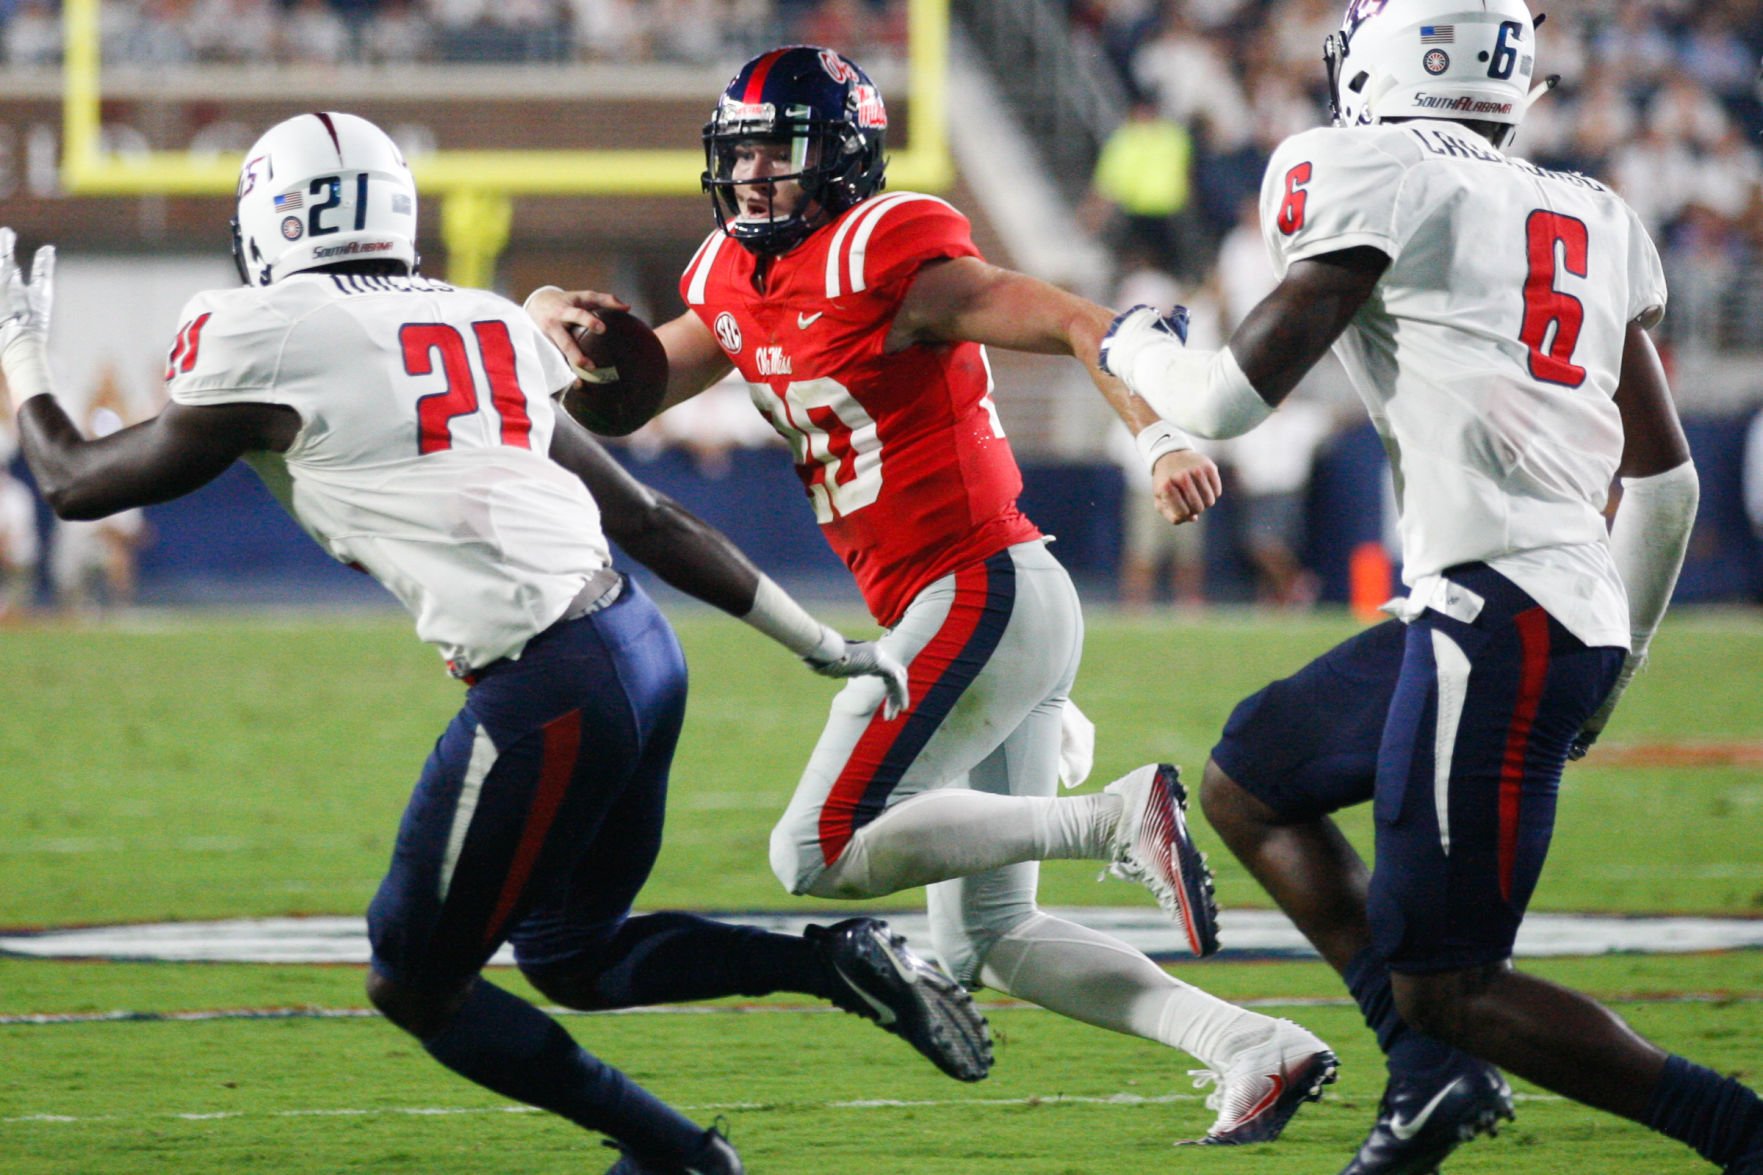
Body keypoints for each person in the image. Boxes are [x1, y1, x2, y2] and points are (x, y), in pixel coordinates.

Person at [0, 112, 1006, 1175]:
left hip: (546, 685)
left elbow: (73, 480)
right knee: (569, 953)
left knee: (411, 977)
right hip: (640, 646)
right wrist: (817, 639)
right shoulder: (485, 321)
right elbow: (649, 517)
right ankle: (832, 965)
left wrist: (22, 352)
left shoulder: (265, 329)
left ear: (270, 219)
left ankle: (680, 1158)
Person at [528, 45, 1339, 1147]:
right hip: (977, 604)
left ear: (842, 159)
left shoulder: (884, 250)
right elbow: (635, 396)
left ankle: (1107, 814)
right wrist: (561, 339)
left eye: (779, 152)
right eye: (743, 154)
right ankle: (1251, 1044)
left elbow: (1064, 315)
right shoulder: (728, 272)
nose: (755, 176)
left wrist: (1151, 434)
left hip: (976, 588)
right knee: (992, 937)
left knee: (812, 848)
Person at [1097, 2, 1763, 1172]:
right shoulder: (1590, 209)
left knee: (1449, 979)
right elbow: (1665, 490)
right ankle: (1427, 1077)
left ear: (1385, 51)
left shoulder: (1366, 167)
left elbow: (1218, 402)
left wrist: (1130, 343)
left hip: (1492, 614)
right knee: (1252, 775)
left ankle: (1731, 1128)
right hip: (1528, 608)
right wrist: (1614, 662)